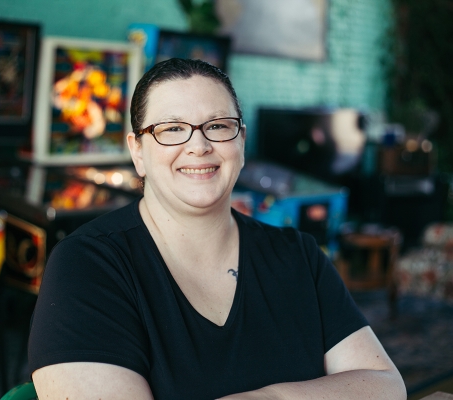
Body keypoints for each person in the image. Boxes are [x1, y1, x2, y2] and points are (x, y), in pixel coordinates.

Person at [28, 58, 406, 399]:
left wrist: (267, 398)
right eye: (172, 129)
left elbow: (385, 385)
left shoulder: (298, 255)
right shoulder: (86, 266)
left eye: (218, 126)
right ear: (138, 152)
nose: (199, 145)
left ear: (240, 141)